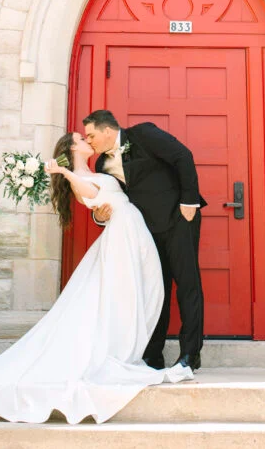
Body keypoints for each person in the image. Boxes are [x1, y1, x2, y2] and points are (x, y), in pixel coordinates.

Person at [0, 131, 189, 425]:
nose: (88, 139)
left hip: (130, 232)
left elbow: (105, 199)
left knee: (143, 290)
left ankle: (128, 347)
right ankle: (119, 352)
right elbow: (91, 195)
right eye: (82, 138)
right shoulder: (77, 179)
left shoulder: (97, 170)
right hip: (122, 239)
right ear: (73, 148)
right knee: (122, 294)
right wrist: (65, 174)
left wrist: (97, 207)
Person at [83, 109, 205, 374]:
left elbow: (182, 156)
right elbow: (112, 200)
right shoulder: (100, 166)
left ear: (107, 131)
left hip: (178, 218)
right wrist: (99, 217)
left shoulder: (144, 134)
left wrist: (189, 202)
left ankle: (189, 355)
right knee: (154, 289)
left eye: (91, 135)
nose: (89, 141)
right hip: (145, 231)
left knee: (187, 285)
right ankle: (152, 356)